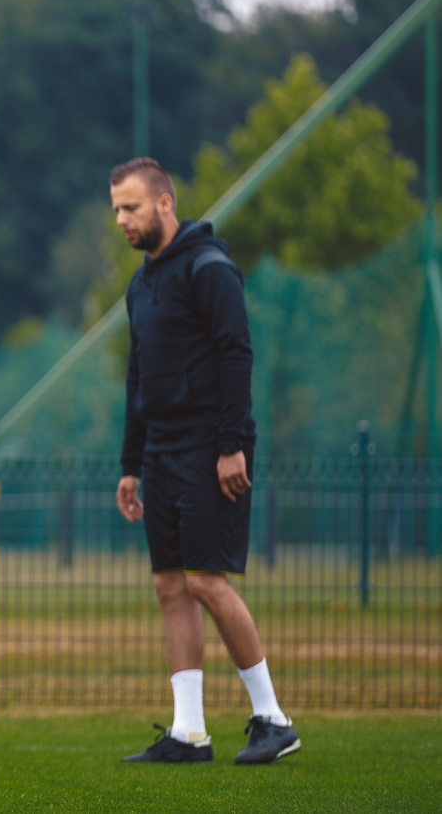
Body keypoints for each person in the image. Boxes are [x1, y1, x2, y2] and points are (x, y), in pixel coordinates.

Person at [111, 158, 299, 766]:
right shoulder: (141, 284)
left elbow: (235, 353)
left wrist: (230, 445)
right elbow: (139, 376)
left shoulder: (209, 267)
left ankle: (273, 719)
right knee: (171, 586)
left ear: (165, 204)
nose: (122, 220)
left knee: (205, 582)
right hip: (160, 453)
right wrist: (130, 464)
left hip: (207, 448)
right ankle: (189, 732)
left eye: (131, 208)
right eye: (116, 209)